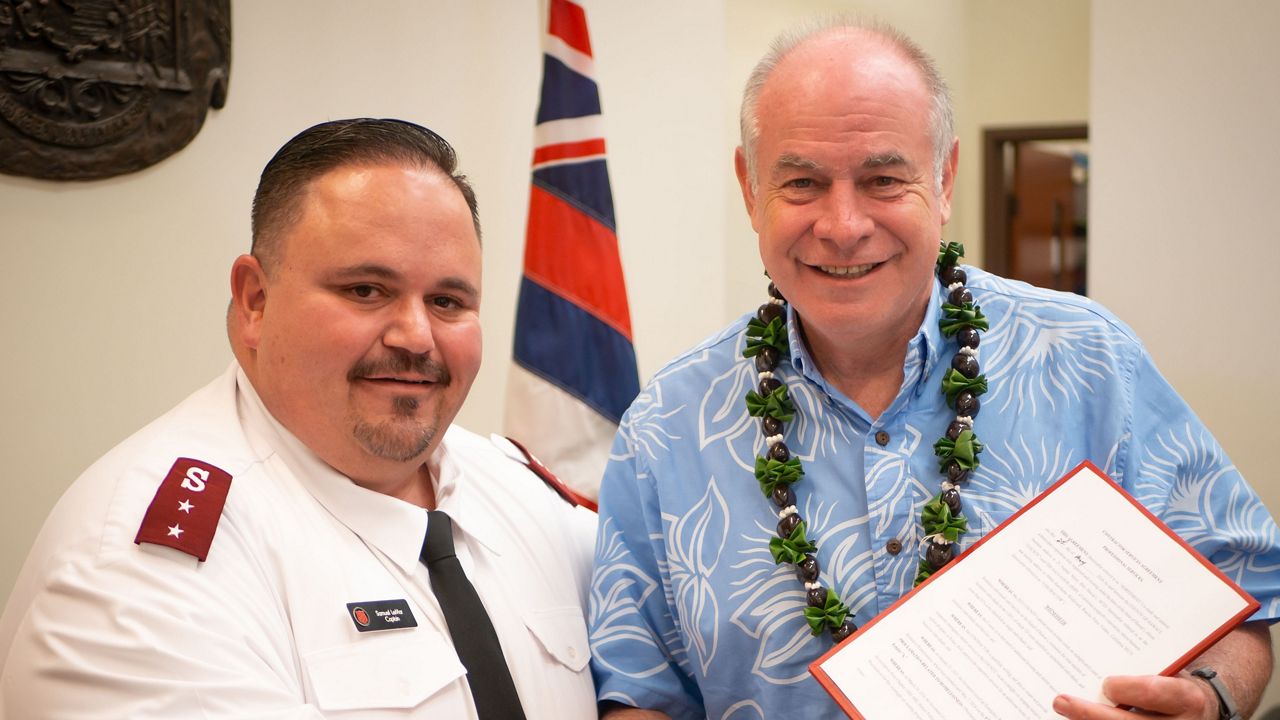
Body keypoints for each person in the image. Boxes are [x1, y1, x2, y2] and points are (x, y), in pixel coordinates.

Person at [588, 19, 1279, 720]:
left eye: (884, 179)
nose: (843, 224)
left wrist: (1209, 699)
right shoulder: (664, 431)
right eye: (801, 183)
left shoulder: (1090, 363)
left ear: (944, 179)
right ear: (749, 187)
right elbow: (641, 693)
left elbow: (1241, 595)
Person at [0, 119, 598, 719]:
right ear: (255, 301)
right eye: (366, 290)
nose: (416, 337)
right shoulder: (139, 567)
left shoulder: (521, 492)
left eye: (447, 302)